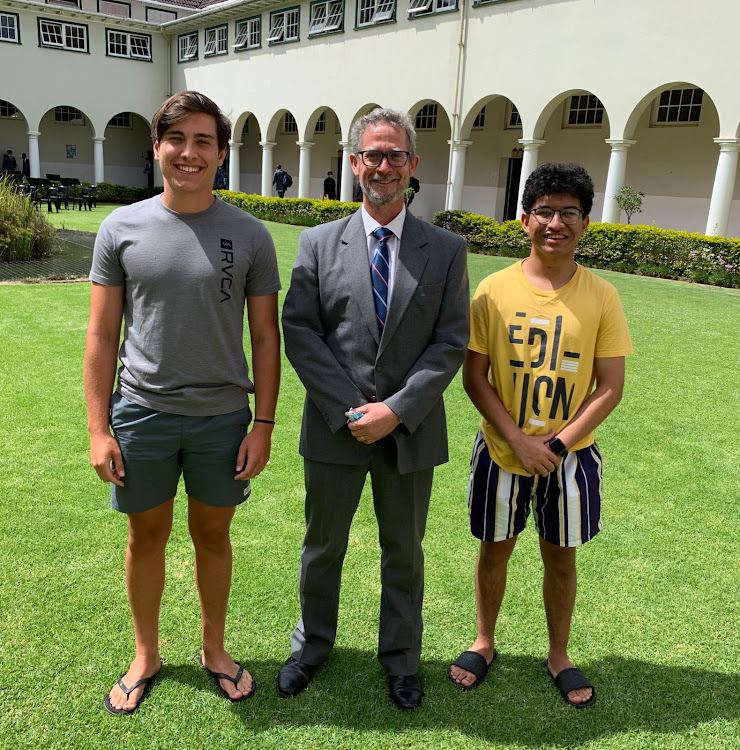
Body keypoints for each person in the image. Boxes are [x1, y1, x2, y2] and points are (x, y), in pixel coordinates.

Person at [84, 91, 281, 716]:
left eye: (203, 141)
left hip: (222, 418)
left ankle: (214, 648)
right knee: (147, 536)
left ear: (221, 153)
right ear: (157, 147)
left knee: (212, 536)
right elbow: (100, 335)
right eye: (177, 140)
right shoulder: (121, 228)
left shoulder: (249, 234)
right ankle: (146, 653)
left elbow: (265, 336)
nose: (189, 153)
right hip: (141, 412)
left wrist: (265, 423)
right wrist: (98, 427)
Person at [279, 108, 470, 711]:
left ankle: (401, 659)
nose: (383, 165)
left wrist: (395, 410)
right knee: (322, 546)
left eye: (395, 155)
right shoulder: (316, 243)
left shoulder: (445, 249)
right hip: (335, 431)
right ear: (354, 163)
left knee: (404, 552)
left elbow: (450, 342)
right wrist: (349, 410)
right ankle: (311, 646)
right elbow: (300, 331)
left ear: (412, 166)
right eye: (372, 154)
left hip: (409, 432)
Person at [449, 163, 633, 709]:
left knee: (561, 557)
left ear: (585, 222)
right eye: (545, 212)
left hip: (569, 458)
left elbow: (610, 387)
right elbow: (475, 377)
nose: (557, 223)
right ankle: (484, 640)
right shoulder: (492, 289)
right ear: (524, 219)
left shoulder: (602, 296)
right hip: (502, 451)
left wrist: (553, 444)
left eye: (569, 213)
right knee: (494, 551)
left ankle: (559, 654)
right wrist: (520, 440)